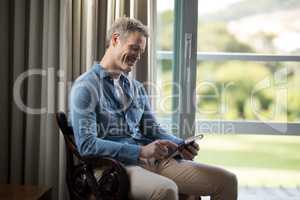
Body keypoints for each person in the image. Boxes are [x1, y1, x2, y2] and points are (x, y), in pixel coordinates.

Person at [69, 17, 238, 200]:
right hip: (115, 167)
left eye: (141, 52)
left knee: (227, 180)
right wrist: (140, 151)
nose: (137, 56)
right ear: (115, 40)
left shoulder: (136, 88)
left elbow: (153, 129)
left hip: (154, 161)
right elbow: (87, 145)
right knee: (165, 190)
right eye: (134, 48)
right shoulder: (85, 87)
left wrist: (180, 145)